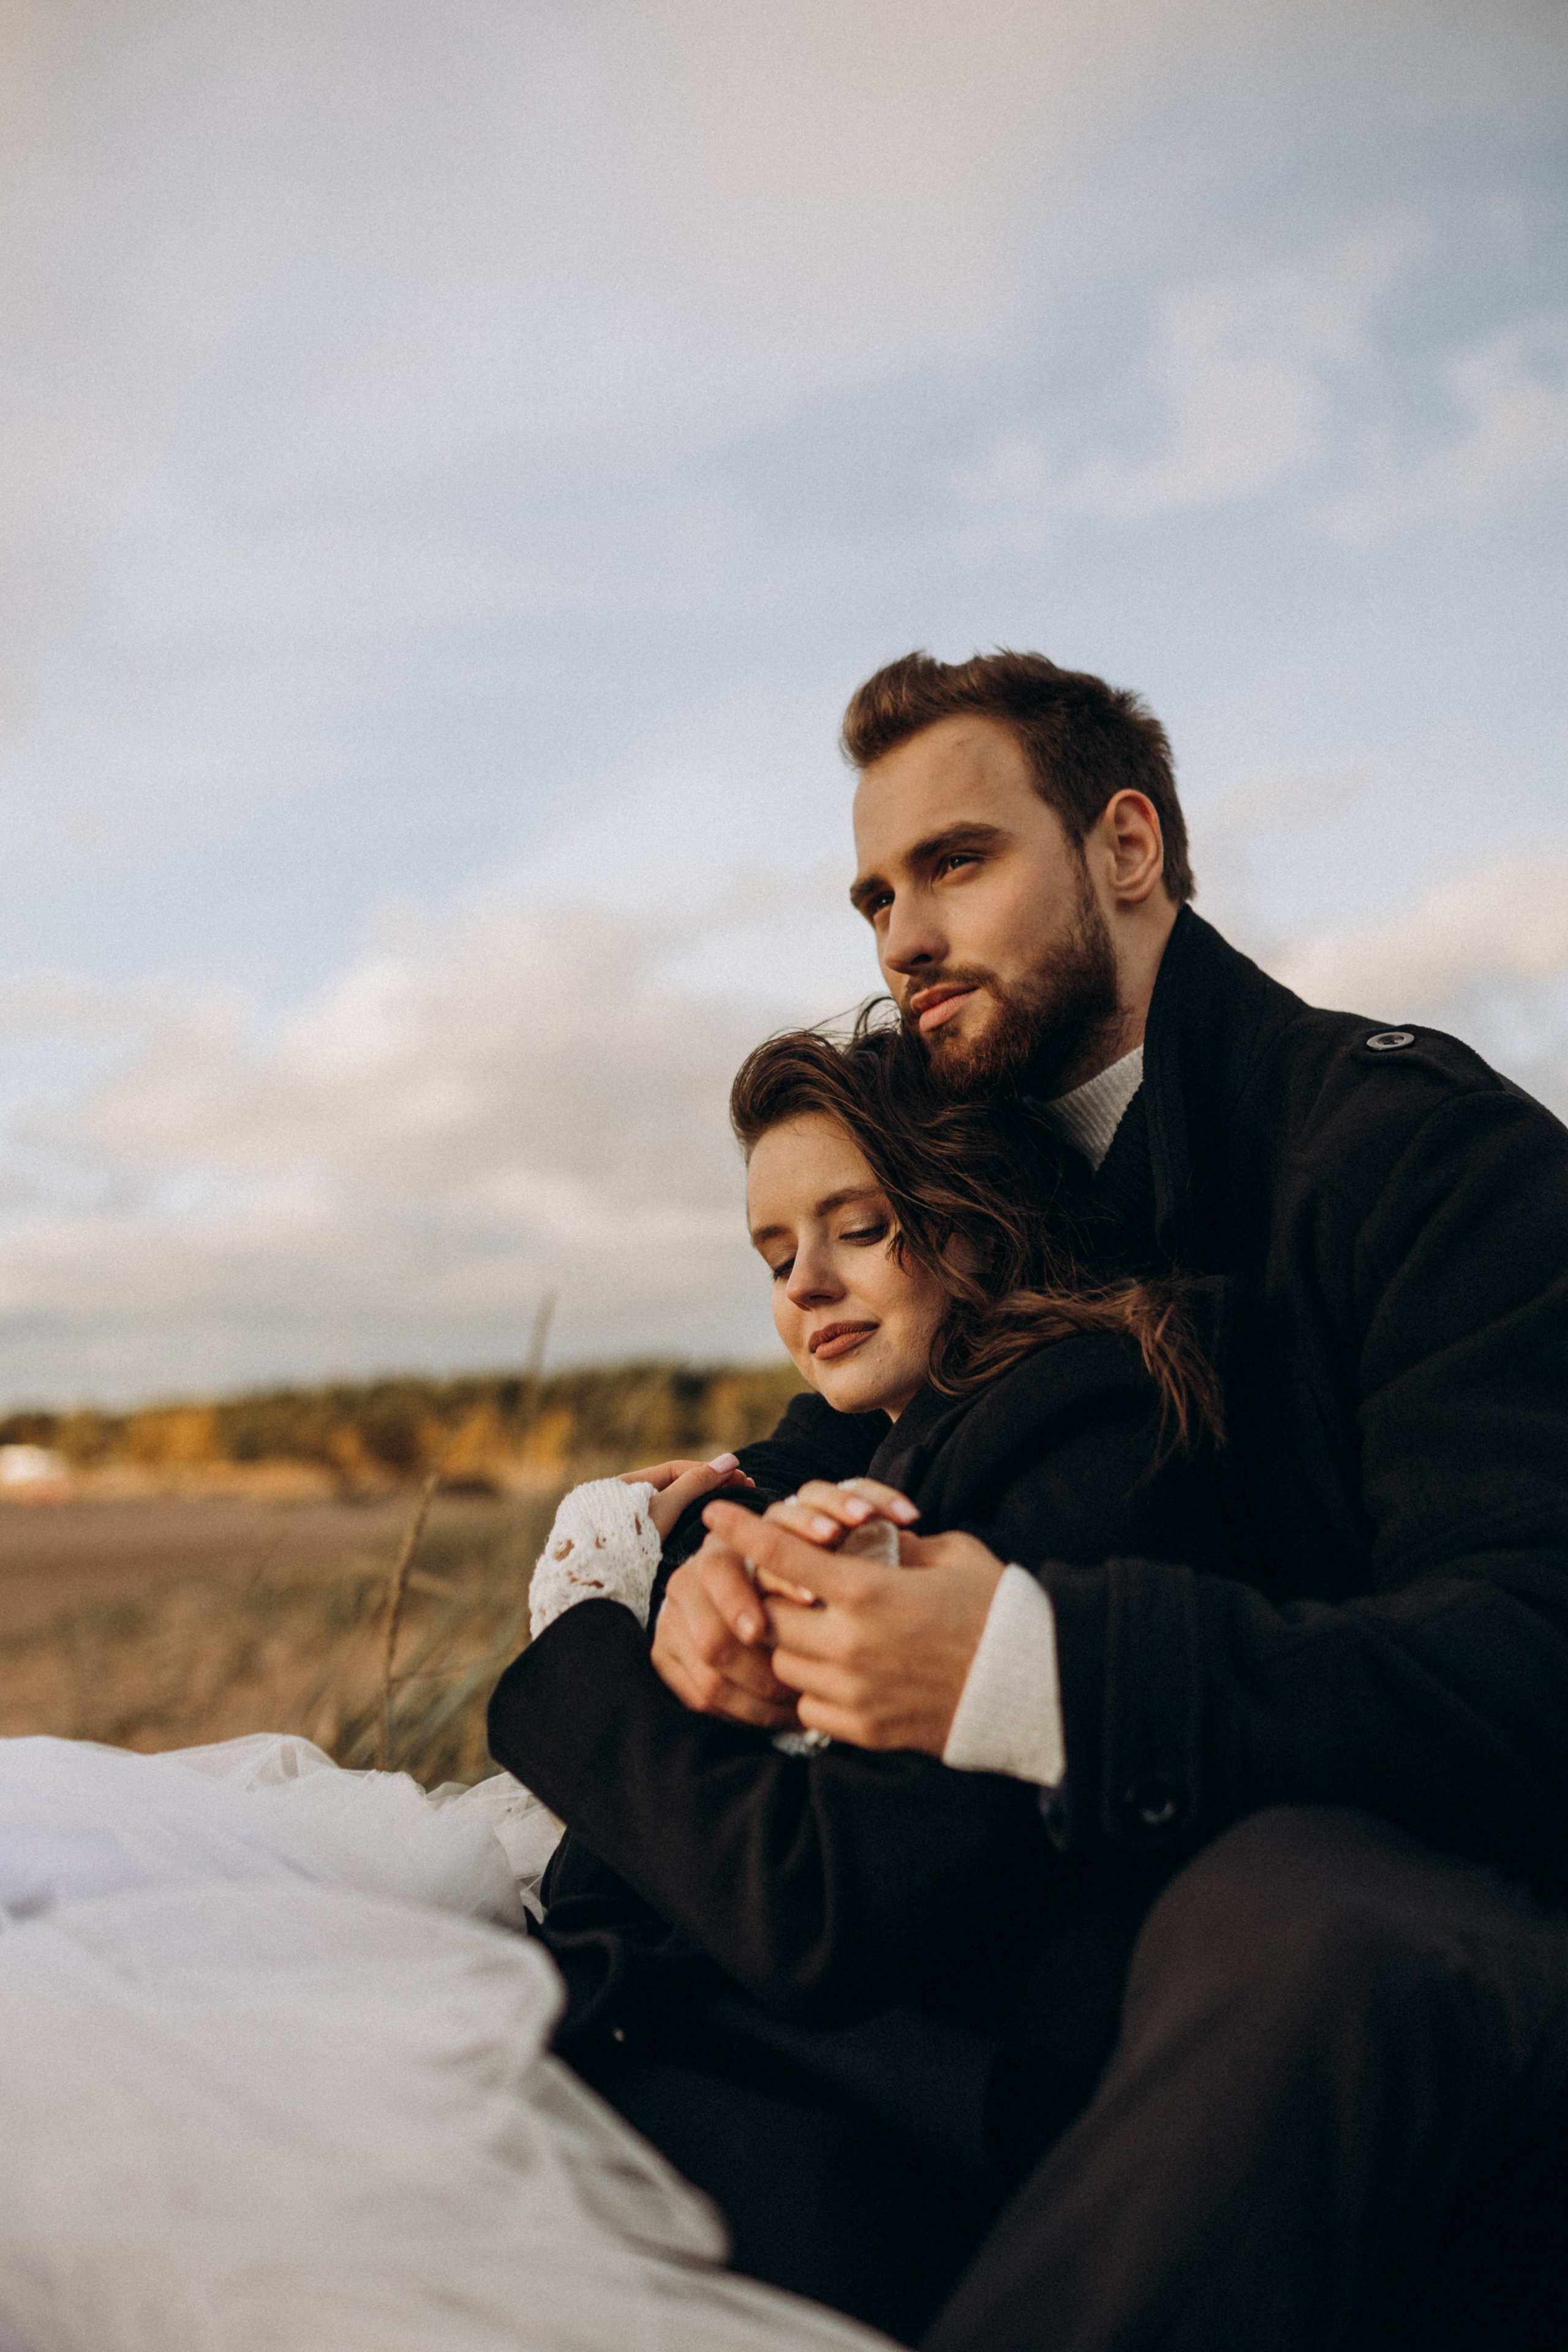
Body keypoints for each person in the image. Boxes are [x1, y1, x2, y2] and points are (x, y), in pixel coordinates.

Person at [619, 652, 1568, 2349]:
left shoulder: (1423, 1156)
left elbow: (1533, 1658)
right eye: (875, 895)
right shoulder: (998, 1186)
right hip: (1089, 1889)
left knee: (1312, 1924)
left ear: (1127, 849)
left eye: (957, 863)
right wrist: (712, 1542)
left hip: (1427, 1895)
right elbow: (821, 1435)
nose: (901, 937)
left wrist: (1040, 1672)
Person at [489, 1018, 1231, 2342]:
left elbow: (815, 1903)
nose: (805, 1288)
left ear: (969, 1217)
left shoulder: (1084, 1431)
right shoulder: (883, 1439)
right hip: (727, 2054)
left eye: (858, 1228)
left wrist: (581, 1632)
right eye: (775, 1256)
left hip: (872, 2135)